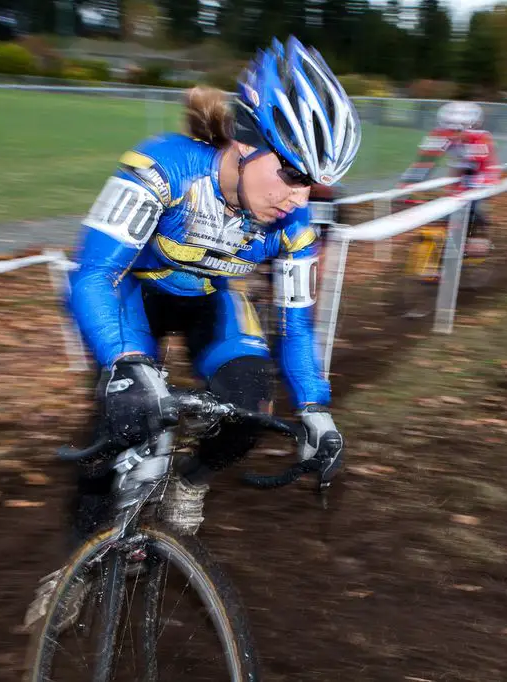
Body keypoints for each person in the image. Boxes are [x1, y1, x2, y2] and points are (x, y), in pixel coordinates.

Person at [62, 35, 360, 552]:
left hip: (209, 300)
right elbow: (92, 275)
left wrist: (316, 407)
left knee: (249, 406)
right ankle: (74, 569)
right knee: (116, 429)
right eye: (291, 173)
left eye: (313, 186)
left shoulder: (296, 223)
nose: (297, 199)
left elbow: (296, 324)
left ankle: (191, 478)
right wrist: (122, 364)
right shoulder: (164, 169)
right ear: (245, 143)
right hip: (135, 296)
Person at [399, 100, 501, 262]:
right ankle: (449, 245)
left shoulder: (481, 139)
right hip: (460, 173)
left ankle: (476, 235)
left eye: (457, 129)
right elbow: (424, 162)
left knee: (469, 210)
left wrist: (461, 194)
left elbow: (473, 169)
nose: (452, 133)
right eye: (448, 128)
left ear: (472, 126)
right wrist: (406, 187)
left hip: (482, 176)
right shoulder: (439, 135)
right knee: (447, 206)